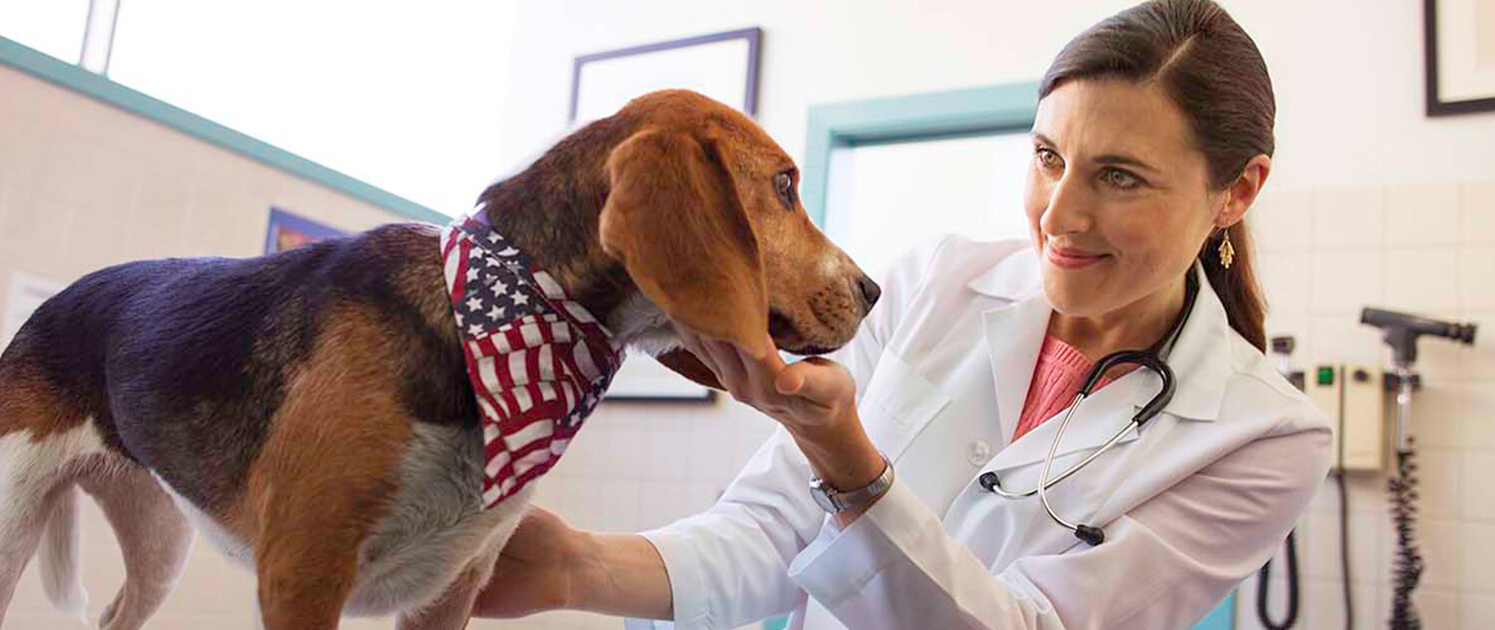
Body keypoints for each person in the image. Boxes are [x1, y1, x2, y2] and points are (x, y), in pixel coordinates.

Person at [473, 0, 1332, 627]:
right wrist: (569, 567)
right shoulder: (937, 283)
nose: (1058, 215)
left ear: (1237, 191)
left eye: (1120, 177)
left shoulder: (1264, 435)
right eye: (1047, 156)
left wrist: (856, 467)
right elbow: (773, 530)